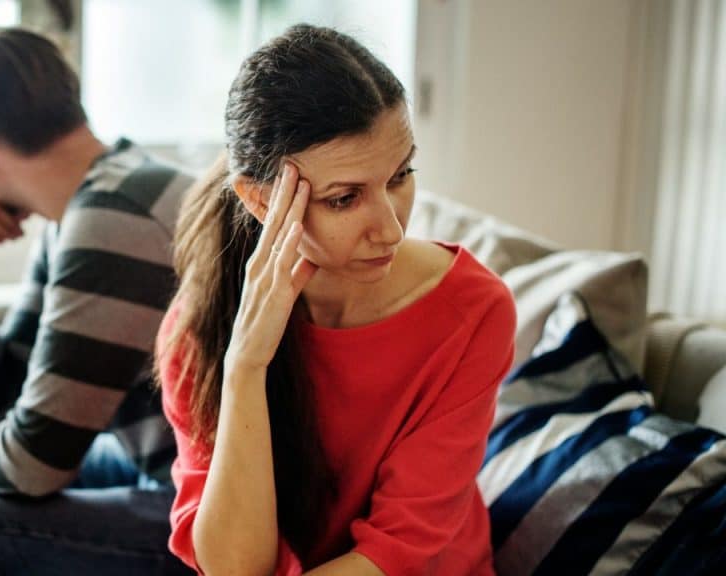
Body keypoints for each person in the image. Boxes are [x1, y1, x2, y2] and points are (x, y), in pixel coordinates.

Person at [157, 24, 516, 576]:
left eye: (401, 176)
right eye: (345, 198)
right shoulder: (199, 326)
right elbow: (232, 567)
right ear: (259, 200)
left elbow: (398, 552)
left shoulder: (473, 311)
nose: (392, 229)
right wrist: (245, 367)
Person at [0, 27, 194, 575]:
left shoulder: (112, 220)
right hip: (170, 474)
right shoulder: (103, 193)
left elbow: (37, 464)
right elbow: (4, 409)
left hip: (216, 512)